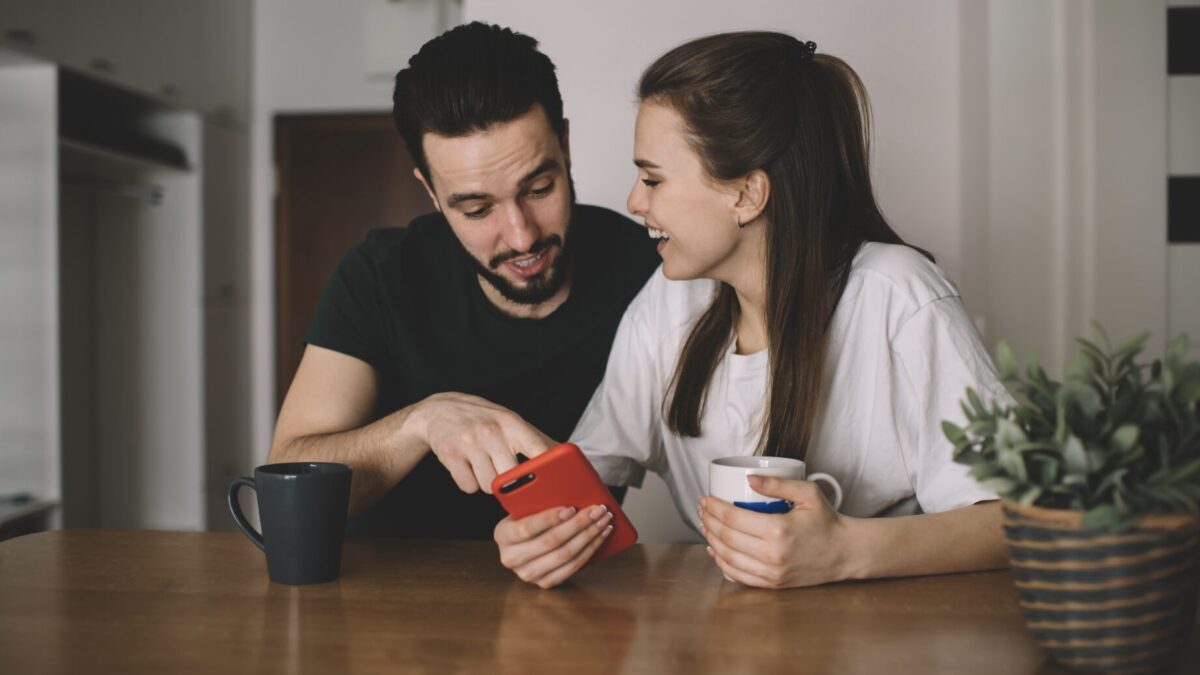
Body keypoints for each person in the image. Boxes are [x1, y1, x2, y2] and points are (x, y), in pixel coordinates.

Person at [494, 32, 1011, 588]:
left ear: (746, 194)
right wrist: (539, 532)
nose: (634, 202)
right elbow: (589, 471)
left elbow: (1020, 519)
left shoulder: (899, 297)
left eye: (652, 179)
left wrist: (846, 550)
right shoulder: (668, 304)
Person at [268, 22, 660, 538]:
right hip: (381, 603)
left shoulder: (650, 272)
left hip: (577, 594)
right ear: (430, 192)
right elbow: (290, 482)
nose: (521, 237)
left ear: (564, 144)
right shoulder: (378, 275)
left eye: (539, 188)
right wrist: (423, 422)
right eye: (477, 209)